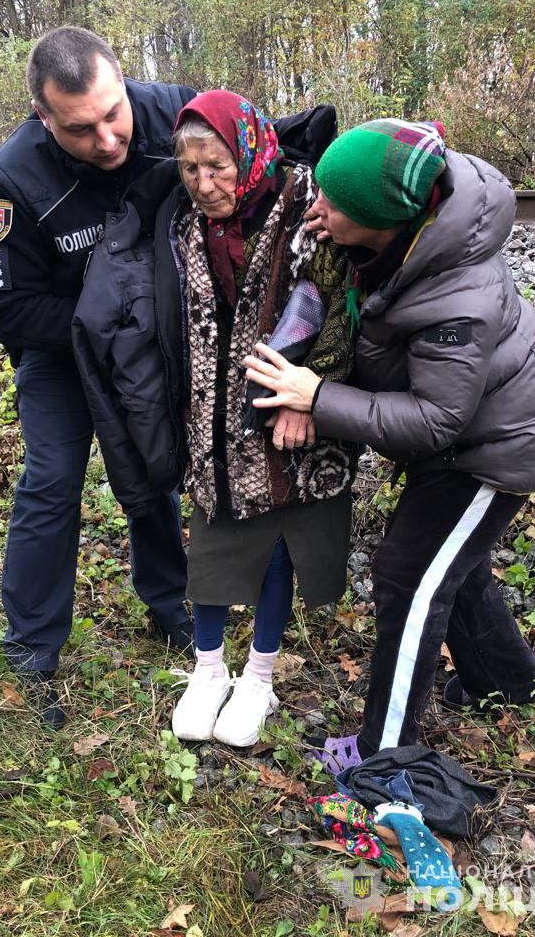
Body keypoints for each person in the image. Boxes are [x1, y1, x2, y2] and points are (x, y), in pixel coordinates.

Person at [245, 117, 535, 769]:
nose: (318, 210)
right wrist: (337, 232)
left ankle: (382, 753)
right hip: (455, 440)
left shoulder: (458, 297)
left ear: (385, 221)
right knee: (455, 564)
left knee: (410, 576)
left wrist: (317, 397)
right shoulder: (402, 237)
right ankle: (512, 687)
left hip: (490, 451)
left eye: (335, 205)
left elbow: (434, 419)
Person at [0, 26, 196, 728]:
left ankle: (170, 605)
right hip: (61, 351)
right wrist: (104, 324)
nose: (106, 140)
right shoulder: (11, 179)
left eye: (112, 113)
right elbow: (6, 307)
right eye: (80, 128)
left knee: (152, 466)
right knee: (52, 481)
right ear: (43, 117)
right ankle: (31, 650)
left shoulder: (176, 116)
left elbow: (252, 163)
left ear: (123, 80)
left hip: (149, 340)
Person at [159, 90, 357, 747]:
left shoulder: (306, 206)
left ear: (248, 150)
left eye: (216, 165)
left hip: (291, 410)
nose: (204, 184)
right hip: (213, 417)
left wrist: (312, 396)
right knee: (212, 534)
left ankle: (260, 678)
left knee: (280, 539)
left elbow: (339, 306)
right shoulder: (188, 226)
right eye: (189, 170)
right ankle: (209, 669)